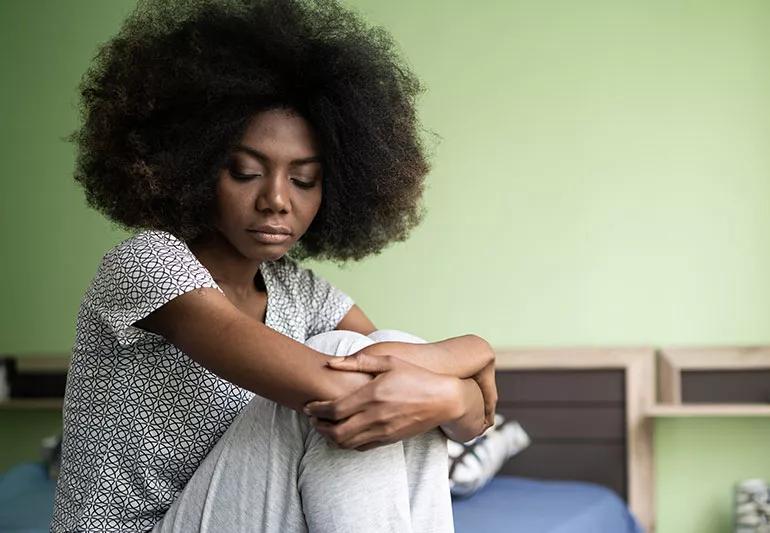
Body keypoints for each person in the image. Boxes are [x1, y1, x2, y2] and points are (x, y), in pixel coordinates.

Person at [51, 0, 498, 531]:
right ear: (190, 169)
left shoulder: (301, 294)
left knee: (384, 368)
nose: (276, 200)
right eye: (244, 173)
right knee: (345, 364)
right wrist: (471, 360)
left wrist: (444, 392)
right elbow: (361, 391)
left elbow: (445, 416)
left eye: (304, 180)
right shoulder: (148, 263)